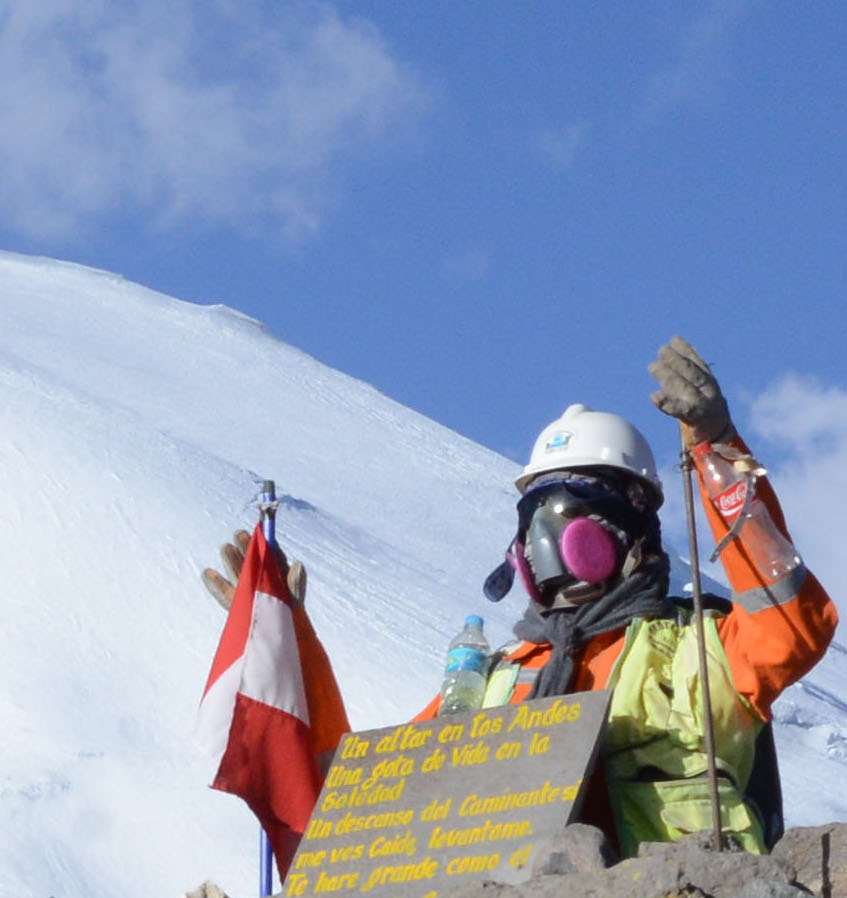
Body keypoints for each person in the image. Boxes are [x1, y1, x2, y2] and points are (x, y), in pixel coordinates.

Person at [201, 338, 834, 855]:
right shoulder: (497, 680)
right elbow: (366, 798)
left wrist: (716, 452)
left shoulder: (695, 650)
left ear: (634, 524)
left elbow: (790, 620)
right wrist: (285, 645)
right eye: (538, 515)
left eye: (576, 509)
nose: (551, 537)